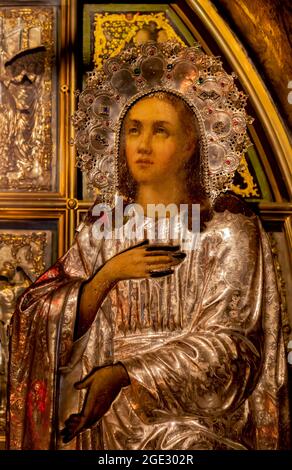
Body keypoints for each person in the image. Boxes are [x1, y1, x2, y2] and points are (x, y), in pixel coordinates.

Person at [7, 42, 290, 450]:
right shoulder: (102, 228)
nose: (142, 144)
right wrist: (107, 276)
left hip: (193, 426)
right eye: (133, 129)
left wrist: (126, 374)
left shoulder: (227, 230)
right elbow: (37, 318)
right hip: (101, 419)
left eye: (161, 130)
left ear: (192, 144)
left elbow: (233, 352)